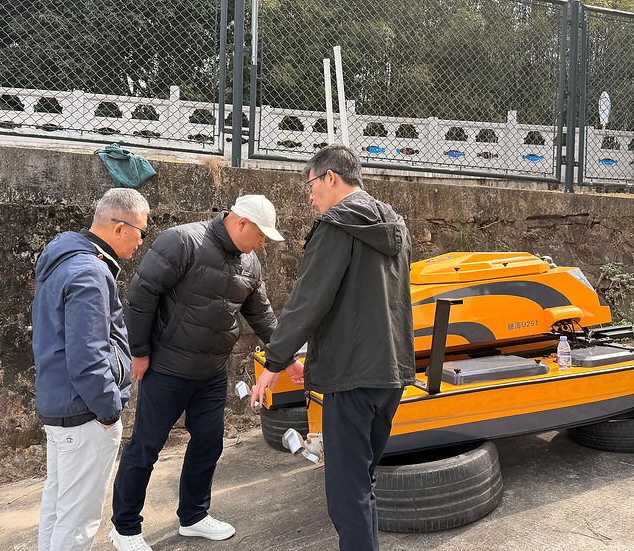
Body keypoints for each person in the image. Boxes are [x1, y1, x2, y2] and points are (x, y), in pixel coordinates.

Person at [109, 195, 303, 551]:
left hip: (212, 372)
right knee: (146, 447)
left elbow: (261, 315)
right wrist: (138, 352)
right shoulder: (182, 241)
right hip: (167, 368)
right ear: (241, 222)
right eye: (261, 235)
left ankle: (194, 517)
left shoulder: (250, 262)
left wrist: (285, 356)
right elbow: (141, 296)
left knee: (208, 444)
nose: (263, 243)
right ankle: (124, 528)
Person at [251, 144, 415, 550]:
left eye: (311, 184)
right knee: (363, 482)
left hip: (351, 376)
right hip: (390, 373)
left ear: (331, 177)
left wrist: (275, 361)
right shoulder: (396, 226)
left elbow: (309, 299)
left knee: (346, 492)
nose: (309, 195)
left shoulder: (336, 225)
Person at [32, 188, 151, 551]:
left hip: (61, 404)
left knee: (58, 506)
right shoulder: (90, 272)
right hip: (85, 412)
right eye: (140, 231)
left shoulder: (64, 261)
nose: (141, 241)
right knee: (79, 519)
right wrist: (109, 409)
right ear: (119, 228)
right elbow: (88, 355)